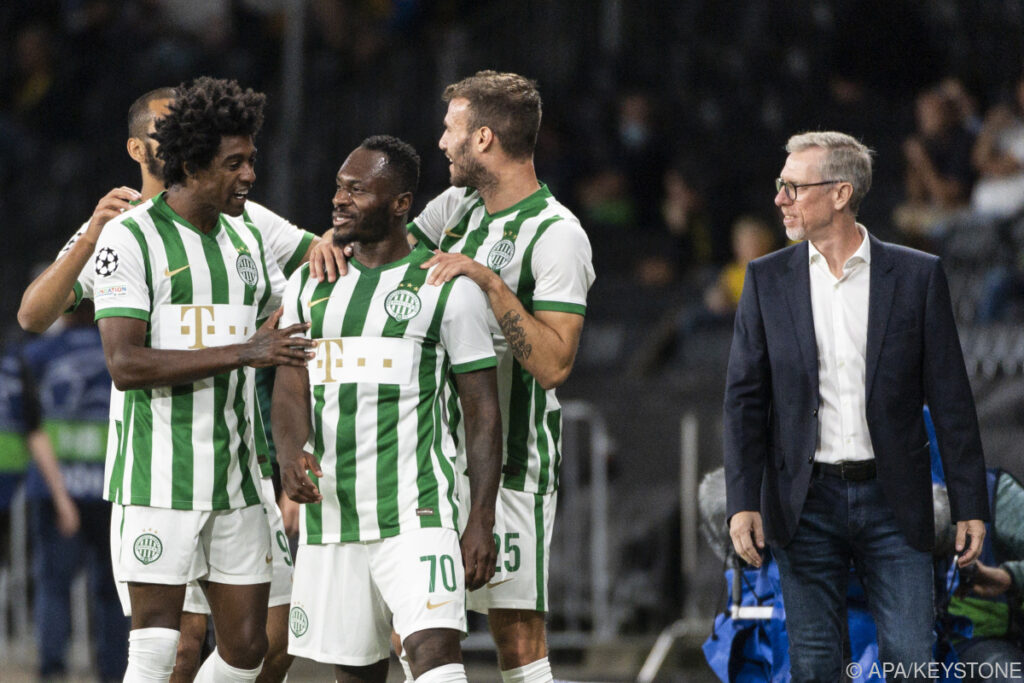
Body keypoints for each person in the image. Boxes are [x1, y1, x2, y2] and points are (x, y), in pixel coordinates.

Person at [17, 85, 325, 683]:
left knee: (262, 643)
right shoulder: (120, 230)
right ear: (144, 148)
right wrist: (89, 236)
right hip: (158, 473)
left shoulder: (250, 228)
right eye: (235, 163)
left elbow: (322, 274)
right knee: (172, 648)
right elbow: (47, 323)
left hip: (237, 476)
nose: (249, 175)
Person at [724, 131, 989, 682]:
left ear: (841, 193)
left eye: (793, 187)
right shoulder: (766, 280)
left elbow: (951, 398)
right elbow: (744, 401)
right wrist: (741, 501)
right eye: (781, 186)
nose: (780, 199)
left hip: (895, 501)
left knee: (912, 663)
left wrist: (970, 503)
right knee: (817, 667)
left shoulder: (916, 276)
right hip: (804, 502)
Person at [272, 135, 502, 683]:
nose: (339, 200)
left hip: (419, 512)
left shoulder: (447, 287)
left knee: (434, 655)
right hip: (333, 516)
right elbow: (289, 383)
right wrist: (288, 452)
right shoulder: (310, 283)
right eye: (338, 188)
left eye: (357, 189)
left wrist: (481, 519)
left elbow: (483, 412)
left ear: (401, 203)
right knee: (355, 675)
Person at [21, 301, 130, 681]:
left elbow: (24, 421)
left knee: (53, 586)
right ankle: (115, 673)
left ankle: (51, 671)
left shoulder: (37, 354)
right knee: (115, 593)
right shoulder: (122, 351)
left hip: (55, 491)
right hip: (114, 492)